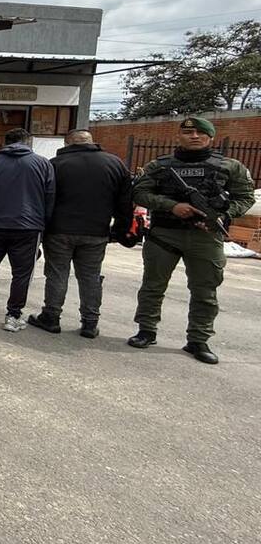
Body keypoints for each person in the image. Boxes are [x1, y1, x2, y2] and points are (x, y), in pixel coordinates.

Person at [127, 116, 255, 364]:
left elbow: (245, 198)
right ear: (179, 136)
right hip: (165, 233)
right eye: (188, 133)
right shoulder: (160, 166)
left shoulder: (230, 166)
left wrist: (222, 214)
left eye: (200, 132)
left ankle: (198, 339)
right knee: (153, 286)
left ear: (211, 137)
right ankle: (146, 330)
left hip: (206, 237)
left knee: (205, 290)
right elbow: (139, 192)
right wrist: (172, 206)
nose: (194, 136)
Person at [27, 129, 132, 339]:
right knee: (91, 277)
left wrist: (39, 229)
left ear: (67, 144)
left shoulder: (56, 164)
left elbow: (43, 199)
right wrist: (119, 230)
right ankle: (90, 323)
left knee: (57, 274)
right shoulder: (114, 163)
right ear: (92, 141)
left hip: (59, 230)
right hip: (97, 231)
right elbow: (125, 202)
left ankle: (51, 317)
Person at [0, 128, 54, 332]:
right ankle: (13, 315)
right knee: (22, 274)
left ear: (5, 142)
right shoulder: (43, 164)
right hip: (28, 228)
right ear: (28, 142)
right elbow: (50, 198)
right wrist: (44, 228)